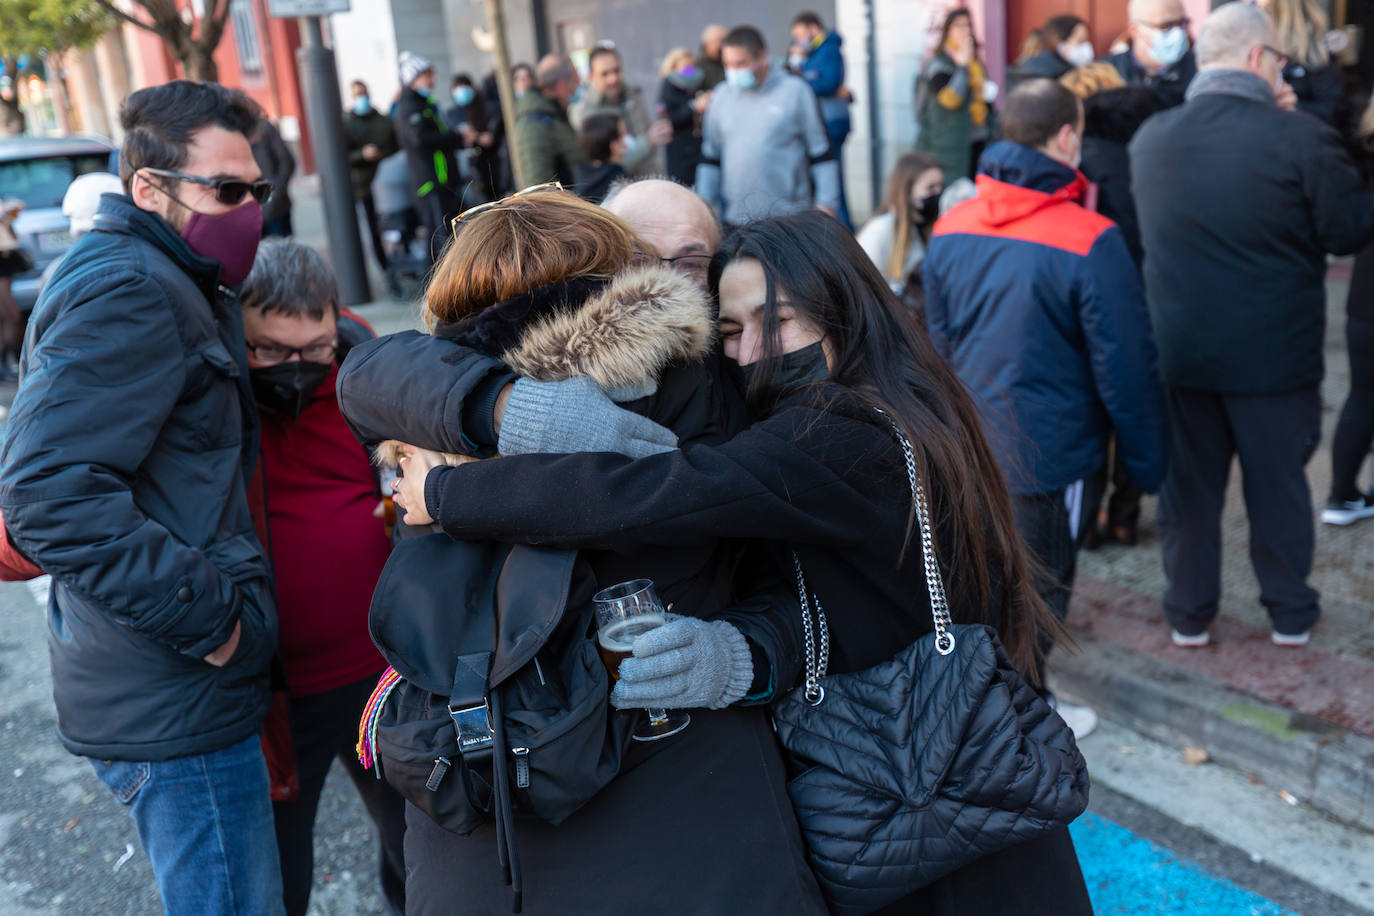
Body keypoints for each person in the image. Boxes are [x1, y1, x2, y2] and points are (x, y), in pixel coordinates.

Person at [376, 210, 1093, 916]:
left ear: (843, 313)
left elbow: (667, 492)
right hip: (917, 750)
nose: (750, 353)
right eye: (730, 330)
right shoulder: (897, 403)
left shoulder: (841, 430)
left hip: (926, 769)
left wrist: (448, 491)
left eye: (774, 324)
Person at [338, 188, 822, 914]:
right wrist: (749, 655)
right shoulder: (708, 387)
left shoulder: (420, 416)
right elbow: (807, 590)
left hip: (478, 835)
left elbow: (365, 373)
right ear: (622, 270)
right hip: (697, 830)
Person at [0, 80, 282, 915]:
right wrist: (216, 623)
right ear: (149, 188)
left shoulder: (169, 273)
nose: (247, 209)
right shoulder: (131, 286)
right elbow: (47, 493)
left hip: (168, 682)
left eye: (256, 189)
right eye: (225, 190)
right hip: (171, 688)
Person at [923, 78, 1167, 734]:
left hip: (972, 444)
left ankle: (1007, 701)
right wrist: (1145, 466)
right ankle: (1027, 713)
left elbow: (937, 344)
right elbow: (1126, 367)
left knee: (993, 580)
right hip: (1051, 455)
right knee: (1042, 590)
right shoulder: (1092, 236)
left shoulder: (951, 224)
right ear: (1067, 137)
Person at [1130, 1, 1374, 647]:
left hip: (1182, 353)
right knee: (1279, 490)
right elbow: (1348, 229)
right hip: (1276, 359)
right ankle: (1290, 614)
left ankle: (1188, 615)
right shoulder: (1299, 136)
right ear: (1261, 60)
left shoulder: (1151, 138)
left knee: (1190, 494)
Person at [237, 240, 407, 916]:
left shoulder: (366, 381)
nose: (296, 369)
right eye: (271, 351)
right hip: (279, 693)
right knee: (279, 878)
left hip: (384, 672)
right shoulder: (212, 397)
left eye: (314, 349)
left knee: (421, 848)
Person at [696, 25, 840, 225]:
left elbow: (822, 152)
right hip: (736, 220)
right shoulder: (721, 96)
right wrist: (706, 204)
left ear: (762, 57)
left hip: (790, 219)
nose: (733, 71)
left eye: (740, 63)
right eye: (727, 64)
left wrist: (826, 203)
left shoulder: (796, 92)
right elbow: (710, 156)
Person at [394, 51, 466, 251]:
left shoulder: (426, 105)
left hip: (443, 182)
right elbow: (421, 139)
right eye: (428, 75)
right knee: (439, 241)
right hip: (431, 184)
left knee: (449, 237)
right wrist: (456, 137)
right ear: (414, 79)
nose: (433, 79)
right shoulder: (410, 108)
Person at [789, 12, 853, 228]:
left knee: (833, 184)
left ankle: (844, 232)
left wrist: (800, 80)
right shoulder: (816, 53)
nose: (798, 40)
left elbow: (828, 83)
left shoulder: (829, 51)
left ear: (813, 28)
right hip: (823, 124)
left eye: (800, 34)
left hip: (831, 124)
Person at [916, 8, 996, 182]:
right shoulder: (939, 65)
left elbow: (986, 101)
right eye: (959, 26)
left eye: (968, 25)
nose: (966, 31)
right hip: (948, 146)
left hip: (978, 140)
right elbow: (950, 99)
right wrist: (962, 67)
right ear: (947, 32)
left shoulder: (976, 65)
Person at [569, 45, 671, 178]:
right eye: (604, 74)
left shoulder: (631, 93)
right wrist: (649, 141)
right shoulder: (585, 113)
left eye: (616, 70)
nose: (613, 78)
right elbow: (609, 164)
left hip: (652, 177)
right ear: (591, 77)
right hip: (619, 189)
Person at [856, 152, 944, 296]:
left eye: (941, 186)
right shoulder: (879, 231)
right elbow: (862, 287)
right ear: (907, 191)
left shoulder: (925, 228)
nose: (938, 193)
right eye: (931, 188)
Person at [1256, 0, 1344, 125]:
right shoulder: (1251, 49)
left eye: (1258, 5)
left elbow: (1331, 113)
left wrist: (1293, 106)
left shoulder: (1315, 56)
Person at [1101, 0, 1198, 109]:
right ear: (1135, 30)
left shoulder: (1199, 71)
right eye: (1165, 26)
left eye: (1182, 23)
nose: (1177, 32)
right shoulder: (1104, 73)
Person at [346, 80, 400, 271]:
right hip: (364, 186)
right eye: (356, 94)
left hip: (389, 183)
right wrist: (362, 154)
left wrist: (381, 154)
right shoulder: (346, 123)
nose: (360, 97)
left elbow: (396, 147)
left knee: (397, 225)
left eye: (362, 93)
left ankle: (401, 260)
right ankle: (385, 267)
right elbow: (341, 156)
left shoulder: (383, 121)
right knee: (374, 230)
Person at [515, 54, 587, 187]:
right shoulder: (535, 125)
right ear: (561, 86)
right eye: (575, 82)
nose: (577, 88)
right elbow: (538, 188)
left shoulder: (552, 115)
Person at [658, 47, 709, 186]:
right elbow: (670, 119)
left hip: (698, 148)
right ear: (674, 66)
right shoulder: (669, 86)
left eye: (692, 67)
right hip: (679, 153)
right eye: (686, 67)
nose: (690, 71)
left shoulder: (698, 83)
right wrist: (693, 106)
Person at [446, 72, 499, 203]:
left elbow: (492, 136)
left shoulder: (486, 108)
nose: (461, 91)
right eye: (457, 88)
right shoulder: (452, 114)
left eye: (464, 86)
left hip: (490, 165)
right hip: (465, 170)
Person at [1012, 14, 1094, 85]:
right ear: (1059, 40)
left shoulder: (1037, 64)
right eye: (1080, 40)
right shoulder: (1052, 70)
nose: (1085, 46)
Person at [252, 117, 296, 237]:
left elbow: (287, 161)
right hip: (248, 213)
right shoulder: (227, 132)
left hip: (275, 208)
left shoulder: (262, 127)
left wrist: (275, 193)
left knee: (282, 251)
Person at [0, 196, 29, 375]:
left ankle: (7, 361)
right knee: (11, 315)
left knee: (7, 316)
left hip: (7, 259)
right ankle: (7, 359)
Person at [574, 113, 628, 203]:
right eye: (623, 134)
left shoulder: (585, 177)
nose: (627, 138)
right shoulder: (621, 184)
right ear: (614, 146)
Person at [697, 23, 729, 89]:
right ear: (707, 45)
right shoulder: (695, 65)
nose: (724, 45)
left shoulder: (730, 62)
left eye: (727, 40)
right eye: (720, 41)